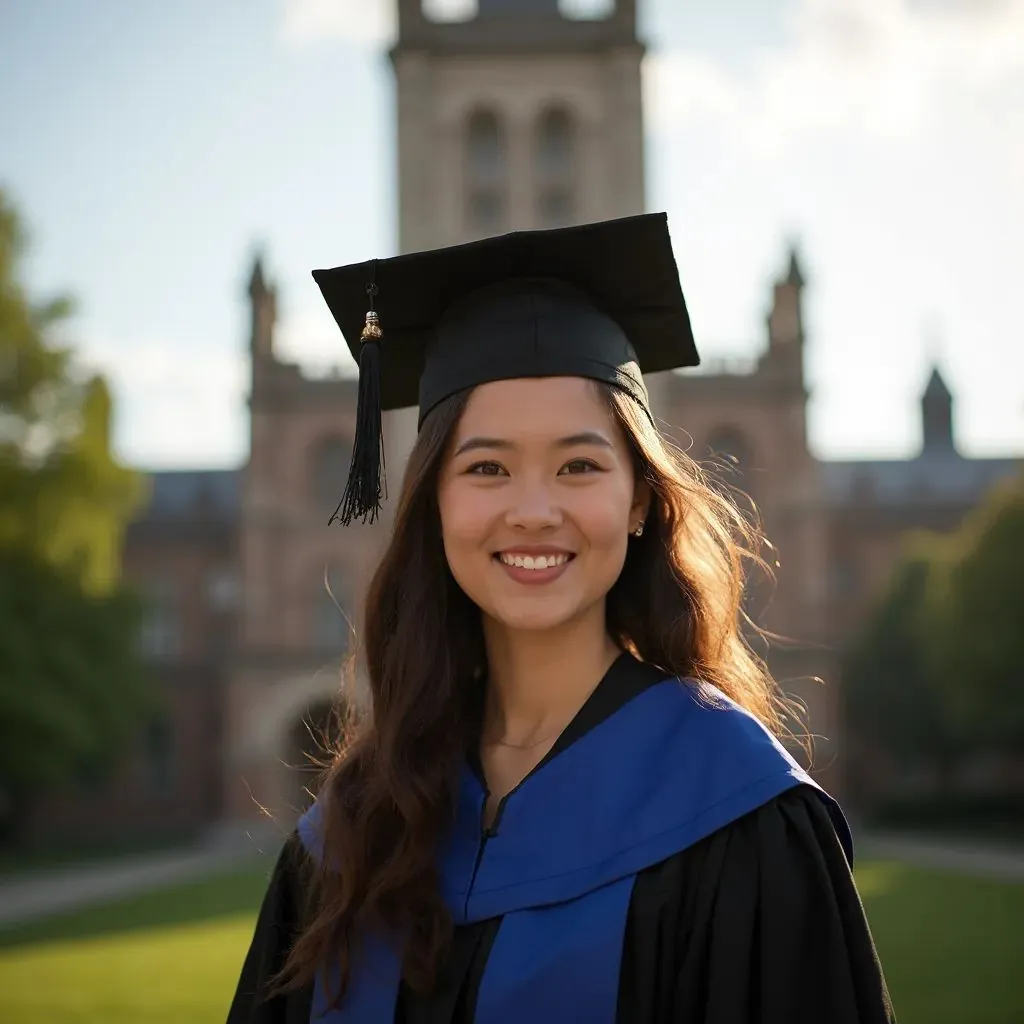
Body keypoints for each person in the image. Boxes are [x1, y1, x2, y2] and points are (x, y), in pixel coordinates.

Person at [226, 214, 896, 1023]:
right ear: (433, 501)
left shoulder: (739, 814)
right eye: (487, 467)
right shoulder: (349, 833)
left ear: (641, 498)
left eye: (580, 464)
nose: (533, 510)